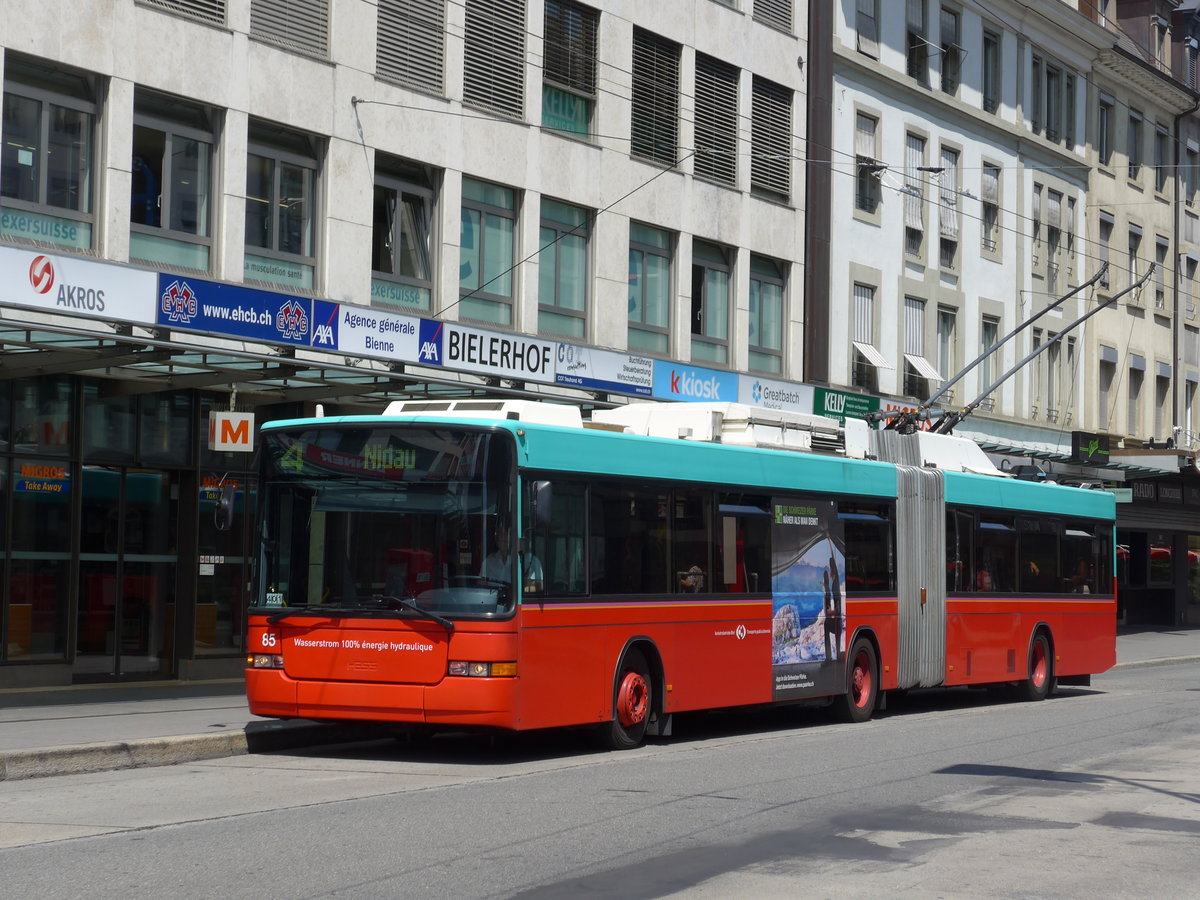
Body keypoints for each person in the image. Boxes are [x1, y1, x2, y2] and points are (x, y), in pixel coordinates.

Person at [482, 525, 544, 593]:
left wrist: (516, 593)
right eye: (500, 534)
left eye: (506, 534)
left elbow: (539, 586)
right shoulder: (489, 561)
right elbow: (481, 583)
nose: (503, 538)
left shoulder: (530, 560)